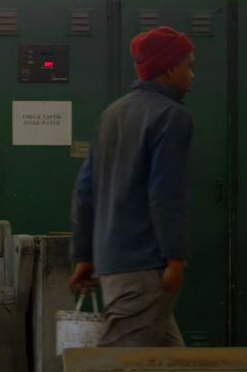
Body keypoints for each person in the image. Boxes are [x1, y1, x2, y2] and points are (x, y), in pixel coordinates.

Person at [69, 26, 195, 347]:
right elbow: (166, 194)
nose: (191, 75)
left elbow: (85, 190)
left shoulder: (113, 113)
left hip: (112, 263)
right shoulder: (171, 116)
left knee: (171, 365)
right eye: (188, 66)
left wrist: (84, 254)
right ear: (168, 69)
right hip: (144, 266)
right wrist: (176, 258)